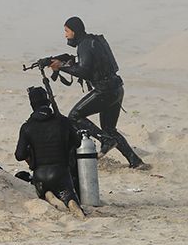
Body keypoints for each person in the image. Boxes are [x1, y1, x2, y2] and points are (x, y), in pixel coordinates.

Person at [50, 16, 147, 169]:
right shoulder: (93, 41)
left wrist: (61, 67)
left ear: (74, 31)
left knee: (74, 116)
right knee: (109, 129)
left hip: (105, 91)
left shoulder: (84, 45)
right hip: (117, 88)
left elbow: (84, 71)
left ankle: (105, 140)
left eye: (67, 31)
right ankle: (136, 162)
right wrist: (67, 63)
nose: (65, 35)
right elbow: (91, 65)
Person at [15, 86, 84, 216]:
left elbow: (19, 155)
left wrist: (31, 153)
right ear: (48, 102)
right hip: (61, 172)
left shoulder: (27, 127)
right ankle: (69, 200)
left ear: (32, 105)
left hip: (40, 174)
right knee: (67, 193)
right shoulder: (62, 121)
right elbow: (77, 143)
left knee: (43, 190)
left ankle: (47, 195)